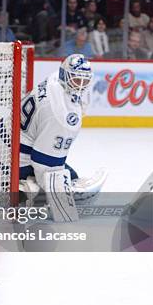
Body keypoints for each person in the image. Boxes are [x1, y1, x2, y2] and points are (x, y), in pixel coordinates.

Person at [18, 54, 102, 222]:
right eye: (76, 80)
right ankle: (29, 195)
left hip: (12, 144)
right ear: (65, 75)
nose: (81, 86)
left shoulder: (56, 79)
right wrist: (59, 199)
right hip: (18, 161)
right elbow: (44, 163)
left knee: (69, 173)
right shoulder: (62, 116)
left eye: (85, 80)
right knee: (66, 179)